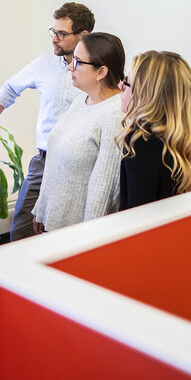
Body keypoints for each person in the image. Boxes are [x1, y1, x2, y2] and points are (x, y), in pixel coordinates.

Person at [0, 2, 95, 241]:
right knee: (21, 230)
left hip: (80, 163)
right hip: (44, 161)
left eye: (62, 34)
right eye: (54, 32)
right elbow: (9, 89)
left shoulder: (98, 70)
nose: (55, 39)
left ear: (84, 35)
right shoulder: (44, 63)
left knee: (66, 233)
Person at [31, 32, 125, 232]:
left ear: (101, 72)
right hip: (54, 220)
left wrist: (87, 238)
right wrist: (42, 208)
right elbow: (55, 162)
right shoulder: (79, 101)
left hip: (77, 233)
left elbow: (104, 188)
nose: (71, 67)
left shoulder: (115, 114)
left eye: (79, 62)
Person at [118, 51, 191, 210]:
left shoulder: (140, 140)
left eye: (126, 82)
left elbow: (137, 214)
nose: (120, 85)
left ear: (147, 95)